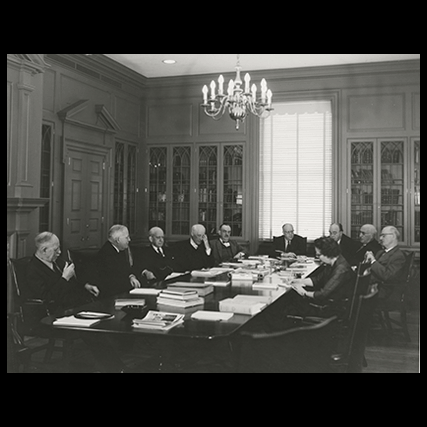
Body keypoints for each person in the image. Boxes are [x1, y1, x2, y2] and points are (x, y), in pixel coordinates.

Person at [25, 232, 99, 313]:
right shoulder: (32, 270)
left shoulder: (58, 262)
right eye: (56, 249)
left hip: (75, 306)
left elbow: (72, 284)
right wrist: (65, 278)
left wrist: (85, 286)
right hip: (56, 312)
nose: (59, 252)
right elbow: (47, 298)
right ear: (44, 250)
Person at [291, 237, 355, 310]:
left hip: (334, 307)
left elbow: (322, 294)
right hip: (332, 301)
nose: (318, 258)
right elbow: (317, 280)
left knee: (292, 303)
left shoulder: (341, 269)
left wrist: (304, 293)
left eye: (318, 255)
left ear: (327, 253)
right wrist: (298, 281)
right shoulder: (333, 262)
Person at [97, 225, 141, 297]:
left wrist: (131, 276)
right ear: (118, 240)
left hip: (120, 290)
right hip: (111, 295)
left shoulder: (119, 250)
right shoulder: (106, 254)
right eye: (127, 237)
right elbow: (116, 279)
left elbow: (126, 270)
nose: (129, 240)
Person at [364, 226, 406, 299]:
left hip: (382, 290)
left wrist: (373, 261)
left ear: (393, 236)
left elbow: (388, 276)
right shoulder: (380, 252)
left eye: (383, 236)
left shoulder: (398, 256)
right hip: (369, 285)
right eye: (380, 236)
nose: (380, 239)